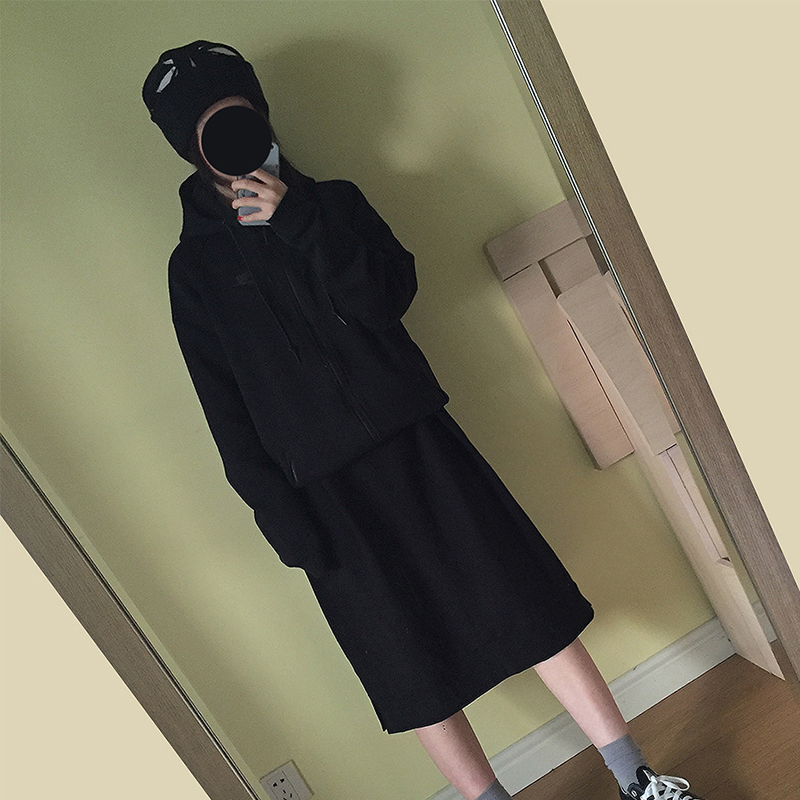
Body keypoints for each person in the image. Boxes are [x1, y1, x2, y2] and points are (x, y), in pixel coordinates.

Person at [142, 40, 708, 800]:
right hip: (323, 498)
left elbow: (387, 300)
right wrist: (282, 520)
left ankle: (636, 777)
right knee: (410, 673)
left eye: (239, 116)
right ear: (191, 149)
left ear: (261, 115)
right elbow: (226, 412)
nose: (232, 137)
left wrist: (299, 220)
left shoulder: (333, 205)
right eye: (212, 129)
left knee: (530, 608)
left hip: (418, 447)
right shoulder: (193, 272)